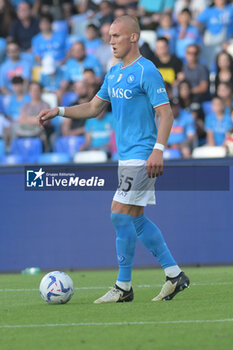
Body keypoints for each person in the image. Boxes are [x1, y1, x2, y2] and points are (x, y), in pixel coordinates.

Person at [38, 15, 190, 303]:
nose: (111, 41)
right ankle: (174, 275)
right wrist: (58, 110)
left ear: (133, 37)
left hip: (143, 154)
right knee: (135, 219)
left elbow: (166, 113)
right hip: (126, 157)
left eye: (116, 36)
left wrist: (159, 149)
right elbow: (94, 107)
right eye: (109, 36)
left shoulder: (147, 71)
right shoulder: (113, 73)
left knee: (118, 214)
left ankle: (123, 287)